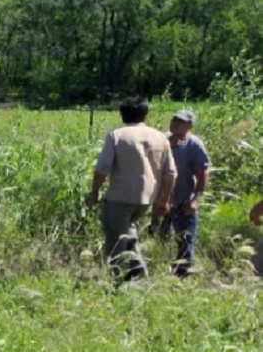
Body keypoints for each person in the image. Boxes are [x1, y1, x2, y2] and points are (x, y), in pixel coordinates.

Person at [88, 97, 177, 282]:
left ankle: (117, 280)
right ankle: (137, 274)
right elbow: (170, 173)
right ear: (145, 116)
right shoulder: (160, 137)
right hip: (145, 200)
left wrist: (95, 192)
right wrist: (165, 199)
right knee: (129, 233)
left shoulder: (117, 135)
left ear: (122, 115)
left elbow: (102, 169)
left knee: (115, 241)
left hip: (119, 197)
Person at [148, 110, 211, 278]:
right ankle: (158, 271)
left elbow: (203, 172)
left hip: (184, 200)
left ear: (189, 126)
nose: (175, 122)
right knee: (158, 237)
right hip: (159, 200)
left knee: (185, 240)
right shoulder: (160, 140)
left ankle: (181, 277)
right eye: (174, 119)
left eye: (180, 121)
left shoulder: (194, 145)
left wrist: (196, 200)